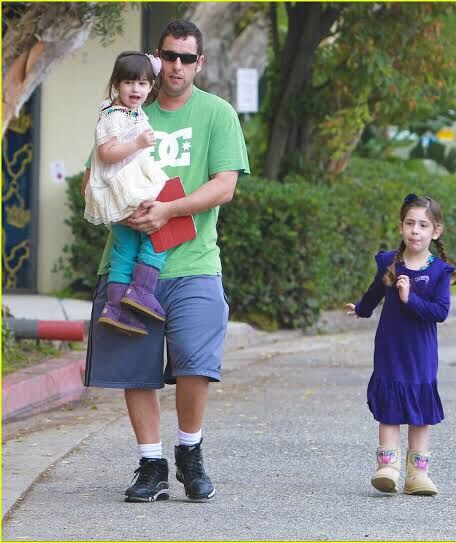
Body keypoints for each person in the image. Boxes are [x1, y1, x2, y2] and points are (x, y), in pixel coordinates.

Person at [82, 19, 250, 503]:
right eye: (170, 56)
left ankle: (189, 451)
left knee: (196, 364)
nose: (177, 66)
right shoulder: (125, 110)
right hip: (127, 257)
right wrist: (124, 208)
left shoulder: (217, 113)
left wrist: (168, 211)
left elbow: (225, 185)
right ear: (157, 60)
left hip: (194, 261)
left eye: (187, 58)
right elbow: (95, 173)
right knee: (135, 366)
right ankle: (151, 463)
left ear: (199, 63)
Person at [345, 193, 456, 496]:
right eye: (410, 223)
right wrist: (361, 309)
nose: (415, 230)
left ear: (436, 232)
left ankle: (418, 475)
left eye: (423, 225)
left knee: (420, 411)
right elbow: (375, 292)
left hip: (420, 353)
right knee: (390, 407)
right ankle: (387, 467)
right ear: (401, 227)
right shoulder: (390, 263)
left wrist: (410, 299)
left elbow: (440, 312)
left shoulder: (439, 272)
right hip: (390, 348)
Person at [84, 51, 169, 336]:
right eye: (130, 83)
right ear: (116, 84)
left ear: (151, 87)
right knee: (162, 229)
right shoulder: (114, 115)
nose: (137, 89)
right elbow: (106, 153)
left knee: (125, 248)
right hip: (125, 187)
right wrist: (138, 143)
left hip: (124, 187)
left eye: (143, 84)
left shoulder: (129, 112)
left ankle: (116, 308)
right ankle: (142, 290)